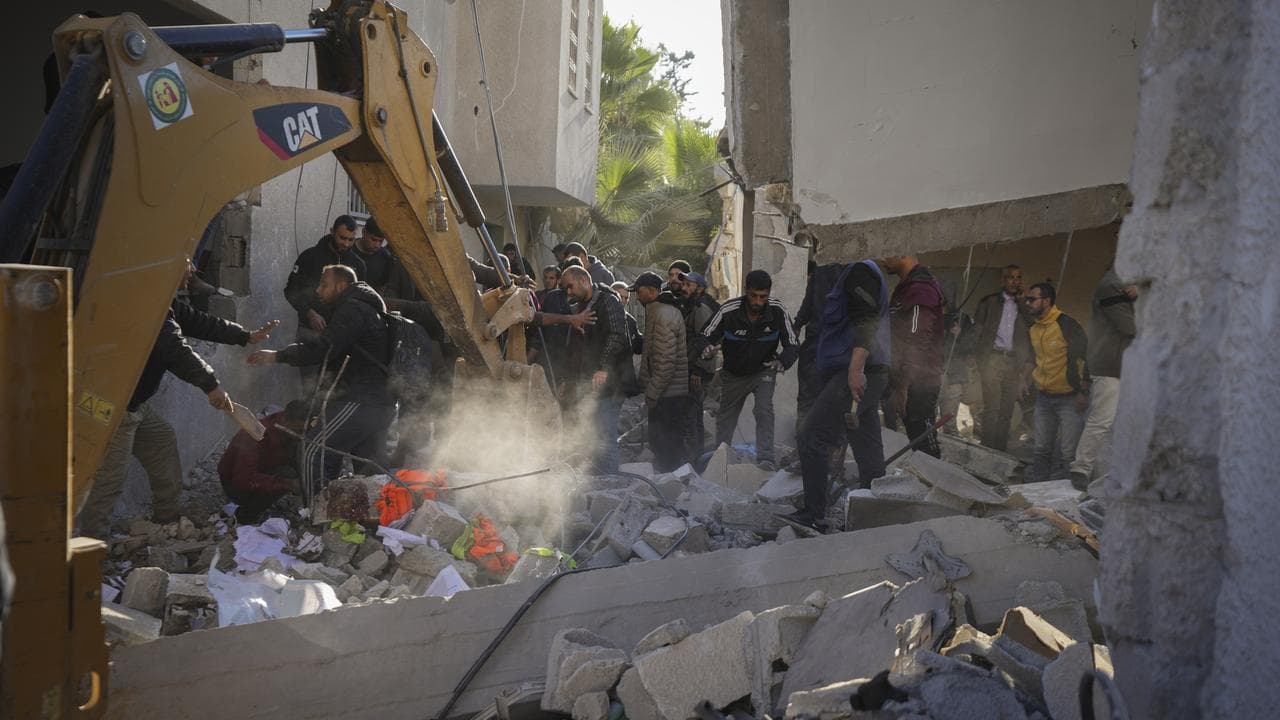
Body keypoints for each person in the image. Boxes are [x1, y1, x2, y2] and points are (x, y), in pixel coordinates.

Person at [77, 268, 277, 540]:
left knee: (162, 442)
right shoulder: (147, 303)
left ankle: (167, 519)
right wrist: (211, 385)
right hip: (112, 406)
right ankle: (92, 545)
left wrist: (245, 336)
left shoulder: (163, 299)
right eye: (186, 263)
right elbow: (173, 348)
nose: (192, 270)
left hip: (133, 404)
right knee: (110, 478)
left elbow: (198, 321)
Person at [249, 265, 396, 492]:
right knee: (372, 474)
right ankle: (381, 512)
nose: (318, 291)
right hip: (379, 403)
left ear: (342, 285)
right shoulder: (365, 308)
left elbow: (323, 348)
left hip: (361, 400)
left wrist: (278, 356)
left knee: (312, 451)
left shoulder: (353, 309)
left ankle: (316, 511)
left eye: (324, 285)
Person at [792, 258, 891, 531]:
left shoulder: (859, 270)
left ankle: (813, 515)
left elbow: (867, 319)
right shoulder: (849, 272)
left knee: (811, 435)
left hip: (855, 374)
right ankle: (875, 517)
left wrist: (855, 370)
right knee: (867, 447)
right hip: (867, 373)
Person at [700, 270, 798, 471]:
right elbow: (704, 335)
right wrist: (707, 348)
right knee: (726, 417)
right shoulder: (728, 310)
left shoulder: (778, 310)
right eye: (754, 296)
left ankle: (766, 458)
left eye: (763, 297)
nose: (758, 302)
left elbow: (793, 344)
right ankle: (721, 457)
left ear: (768, 294)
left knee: (764, 410)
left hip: (764, 370)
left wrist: (782, 361)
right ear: (746, 291)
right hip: (733, 374)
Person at [1069, 270, 1137, 490]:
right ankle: (1081, 468)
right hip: (1111, 366)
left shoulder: (1131, 285)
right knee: (1102, 421)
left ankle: (1108, 475)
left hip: (1127, 367)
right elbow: (1130, 327)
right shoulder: (1112, 285)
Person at [560, 266, 629, 473]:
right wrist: (568, 380)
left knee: (605, 438)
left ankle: (610, 483)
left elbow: (616, 335)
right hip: (589, 385)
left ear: (583, 280)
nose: (569, 292)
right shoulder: (582, 307)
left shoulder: (608, 301)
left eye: (570, 286)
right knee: (592, 437)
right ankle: (599, 481)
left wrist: (603, 367)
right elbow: (575, 348)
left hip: (609, 385)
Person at [285, 215, 367, 389]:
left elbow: (360, 300)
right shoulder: (309, 257)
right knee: (310, 389)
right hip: (310, 333)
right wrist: (309, 313)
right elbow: (291, 290)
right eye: (342, 238)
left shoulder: (358, 265)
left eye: (351, 240)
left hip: (343, 337)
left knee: (338, 390)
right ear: (332, 232)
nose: (346, 243)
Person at [1021, 283, 1090, 483]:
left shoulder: (1067, 325)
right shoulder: (1034, 328)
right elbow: (1032, 357)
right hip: (1044, 397)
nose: (1028, 303)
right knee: (1041, 448)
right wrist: (1023, 379)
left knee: (1068, 452)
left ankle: (1067, 494)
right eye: (1027, 299)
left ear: (1047, 301)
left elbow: (1087, 357)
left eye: (1032, 299)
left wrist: (1084, 391)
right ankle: (1038, 490)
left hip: (1069, 398)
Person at [881, 256, 946, 457]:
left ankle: (934, 477)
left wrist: (903, 386)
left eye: (887, 251)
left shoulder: (920, 290)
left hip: (919, 383)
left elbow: (917, 341)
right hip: (906, 380)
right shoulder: (906, 288)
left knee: (925, 446)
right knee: (917, 443)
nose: (882, 258)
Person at [632, 271, 690, 472]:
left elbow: (666, 362)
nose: (637, 297)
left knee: (667, 449)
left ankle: (674, 484)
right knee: (662, 446)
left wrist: (652, 393)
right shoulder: (658, 311)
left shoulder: (663, 314)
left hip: (668, 395)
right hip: (665, 393)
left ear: (652, 291)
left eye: (639, 292)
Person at [971, 265, 1031, 451]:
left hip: (1014, 362)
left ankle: (999, 450)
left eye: (1018, 277)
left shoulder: (1025, 306)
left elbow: (1033, 326)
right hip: (992, 359)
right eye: (1011, 277)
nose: (1015, 281)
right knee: (992, 407)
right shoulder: (989, 302)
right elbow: (977, 331)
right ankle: (987, 449)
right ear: (1002, 280)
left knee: (1007, 410)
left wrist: (1022, 302)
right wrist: (976, 358)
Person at [218, 401, 309, 523]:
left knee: (296, 462)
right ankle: (246, 515)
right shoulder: (256, 434)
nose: (302, 435)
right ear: (286, 421)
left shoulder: (286, 426)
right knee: (288, 474)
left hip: (263, 468)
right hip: (235, 484)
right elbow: (243, 480)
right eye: (299, 430)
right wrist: (289, 484)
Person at [679, 271, 718, 463]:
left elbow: (707, 341)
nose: (684, 288)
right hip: (695, 367)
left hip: (698, 370)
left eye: (689, 285)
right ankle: (697, 459)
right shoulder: (694, 305)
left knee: (690, 417)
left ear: (700, 288)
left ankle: (692, 461)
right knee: (693, 416)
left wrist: (698, 370)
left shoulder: (701, 307)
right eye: (683, 284)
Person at [354, 217, 393, 291]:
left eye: (381, 241)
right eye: (373, 239)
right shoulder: (348, 250)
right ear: (363, 232)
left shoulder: (385, 257)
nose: (377, 245)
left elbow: (384, 286)